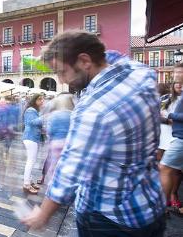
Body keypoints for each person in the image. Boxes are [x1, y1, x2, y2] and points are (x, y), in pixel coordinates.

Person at [22, 31, 166, 236]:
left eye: (62, 71)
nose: (61, 79)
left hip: (111, 217)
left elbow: (71, 167)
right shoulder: (140, 72)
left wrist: (43, 214)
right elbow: (113, 56)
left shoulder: (95, 107)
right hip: (150, 203)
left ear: (84, 60)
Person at [160, 64, 183, 214]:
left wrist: (170, 116)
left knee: (165, 169)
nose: (176, 74)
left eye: (179, 71)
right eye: (175, 71)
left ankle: (162, 206)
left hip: (180, 138)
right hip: (171, 136)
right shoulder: (166, 99)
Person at [41, 93, 74, 185]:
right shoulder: (73, 114)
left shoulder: (54, 115)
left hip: (56, 143)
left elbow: (49, 131)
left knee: (53, 166)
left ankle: (53, 184)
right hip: (69, 143)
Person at [21, 94, 45, 195]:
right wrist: (45, 117)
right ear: (34, 100)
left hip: (32, 137)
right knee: (30, 161)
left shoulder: (32, 110)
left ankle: (29, 181)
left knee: (32, 160)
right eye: (40, 99)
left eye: (42, 99)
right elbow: (33, 122)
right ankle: (26, 184)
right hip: (30, 138)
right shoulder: (31, 110)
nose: (42, 101)